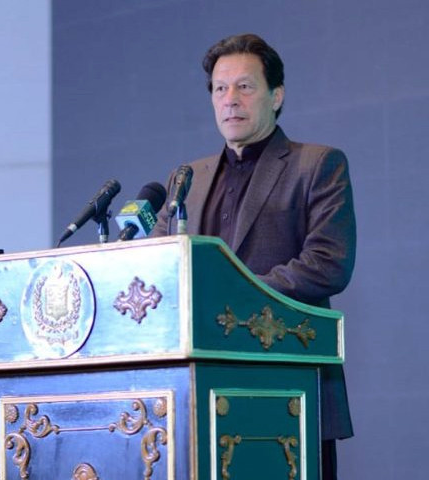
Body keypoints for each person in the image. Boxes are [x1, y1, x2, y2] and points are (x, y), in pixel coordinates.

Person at [152, 33, 356, 480]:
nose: (230, 100)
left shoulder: (317, 165)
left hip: (288, 388)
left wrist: (235, 295)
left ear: (276, 96)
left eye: (245, 87)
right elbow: (158, 269)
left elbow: (328, 261)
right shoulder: (187, 179)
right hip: (199, 394)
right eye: (220, 89)